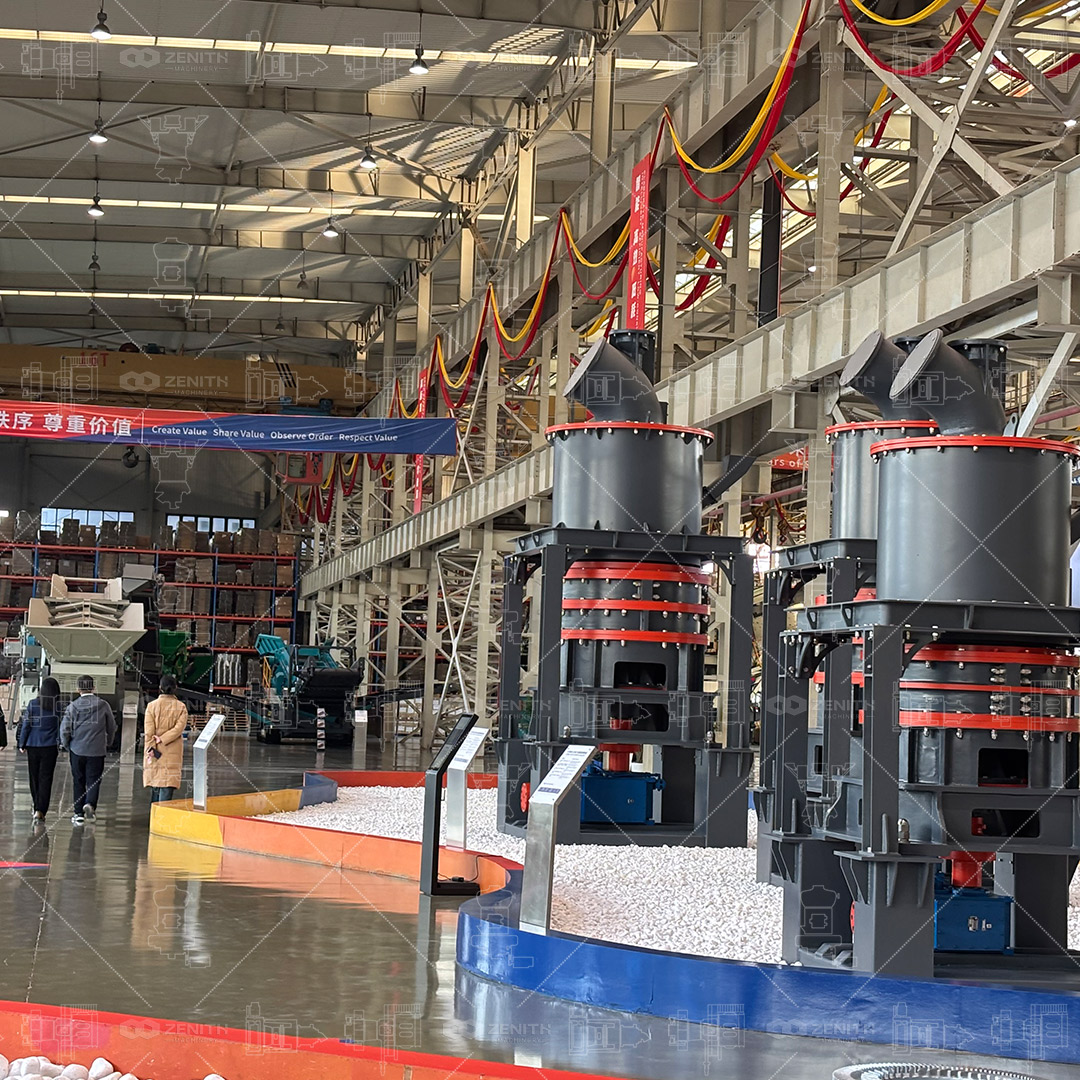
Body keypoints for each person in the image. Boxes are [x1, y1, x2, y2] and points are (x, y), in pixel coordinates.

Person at [59, 674, 116, 825]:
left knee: (78, 781)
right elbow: (112, 726)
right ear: (93, 688)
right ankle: (90, 804)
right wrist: (108, 742)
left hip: (77, 750)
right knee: (94, 779)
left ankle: (78, 813)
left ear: (78, 689)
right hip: (97, 750)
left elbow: (64, 729)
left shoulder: (73, 706)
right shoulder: (103, 705)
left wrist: (67, 745)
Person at [17, 676, 62, 821]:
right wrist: (61, 743)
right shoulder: (59, 707)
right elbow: (61, 727)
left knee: (34, 777)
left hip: (33, 745)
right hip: (50, 747)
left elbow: (26, 725)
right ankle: (41, 809)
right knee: (46, 779)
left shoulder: (33, 704)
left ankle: (36, 805)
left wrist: (21, 743)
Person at [142, 674, 189, 803]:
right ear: (175, 688)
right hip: (172, 750)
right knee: (167, 785)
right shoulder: (181, 707)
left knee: (156, 783)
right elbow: (179, 728)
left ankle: (155, 816)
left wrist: (152, 746)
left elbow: (149, 731)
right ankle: (163, 816)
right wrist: (163, 739)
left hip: (155, 750)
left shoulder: (152, 706)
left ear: (160, 688)